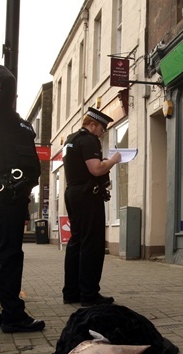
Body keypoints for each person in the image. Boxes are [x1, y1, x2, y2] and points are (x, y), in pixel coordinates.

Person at [0, 62, 44, 333]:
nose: (11, 95)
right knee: (10, 256)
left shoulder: (3, 119)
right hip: (6, 195)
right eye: (2, 91)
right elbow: (9, 81)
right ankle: (13, 315)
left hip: (5, 194)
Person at [61, 107, 122, 307]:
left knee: (76, 242)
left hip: (73, 193)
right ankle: (89, 294)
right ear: (92, 124)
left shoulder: (71, 139)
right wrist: (112, 161)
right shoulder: (88, 139)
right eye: (101, 128)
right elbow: (95, 169)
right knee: (92, 244)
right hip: (88, 196)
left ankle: (71, 292)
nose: (102, 133)